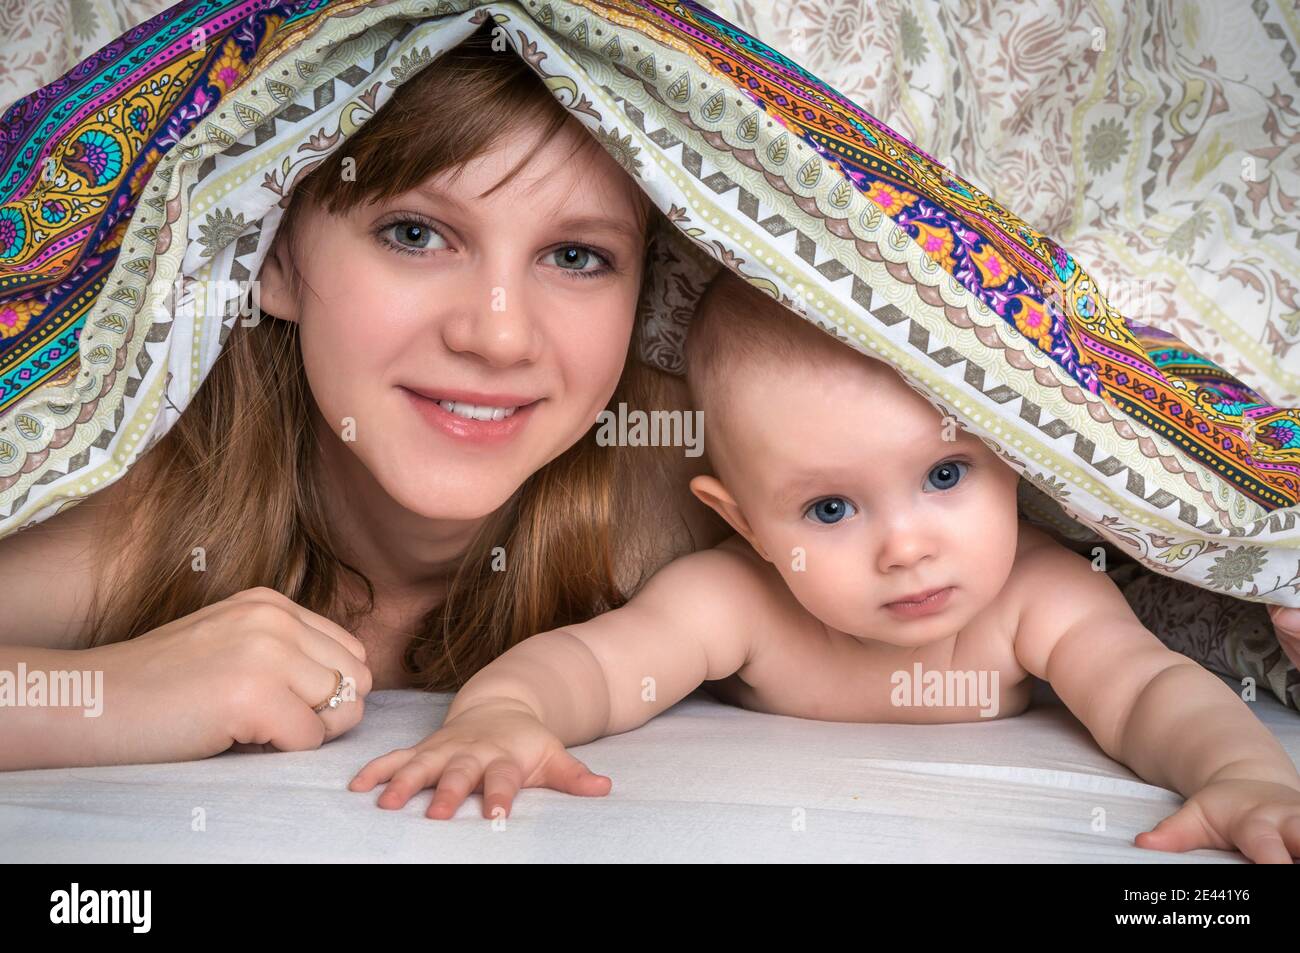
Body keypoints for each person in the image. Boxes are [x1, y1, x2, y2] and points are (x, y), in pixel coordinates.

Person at [353, 266, 1300, 864]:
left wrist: (1238, 772)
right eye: (831, 508)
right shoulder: (740, 599)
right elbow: (597, 666)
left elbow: (1146, 692)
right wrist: (503, 716)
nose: (907, 544)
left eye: (944, 473)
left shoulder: (1039, 597)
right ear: (749, 524)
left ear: (1014, 459)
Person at [0, 21, 726, 771]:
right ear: (272, 256)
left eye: (577, 256)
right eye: (415, 234)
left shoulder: (688, 502)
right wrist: (119, 694)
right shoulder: (150, 519)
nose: (499, 336)